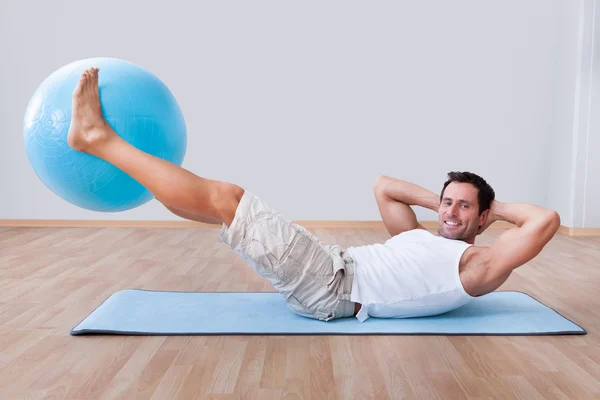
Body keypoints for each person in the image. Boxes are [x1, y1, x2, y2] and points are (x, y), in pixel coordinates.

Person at [67, 67, 562, 322]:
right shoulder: (421, 239)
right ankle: (143, 172)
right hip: (331, 267)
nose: (450, 210)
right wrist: (446, 205)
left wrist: (489, 214)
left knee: (229, 198)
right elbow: (384, 185)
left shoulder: (474, 266)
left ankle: (96, 138)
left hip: (334, 286)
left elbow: (546, 221)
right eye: (447, 200)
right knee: (224, 212)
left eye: (464, 206)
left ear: (484, 219)